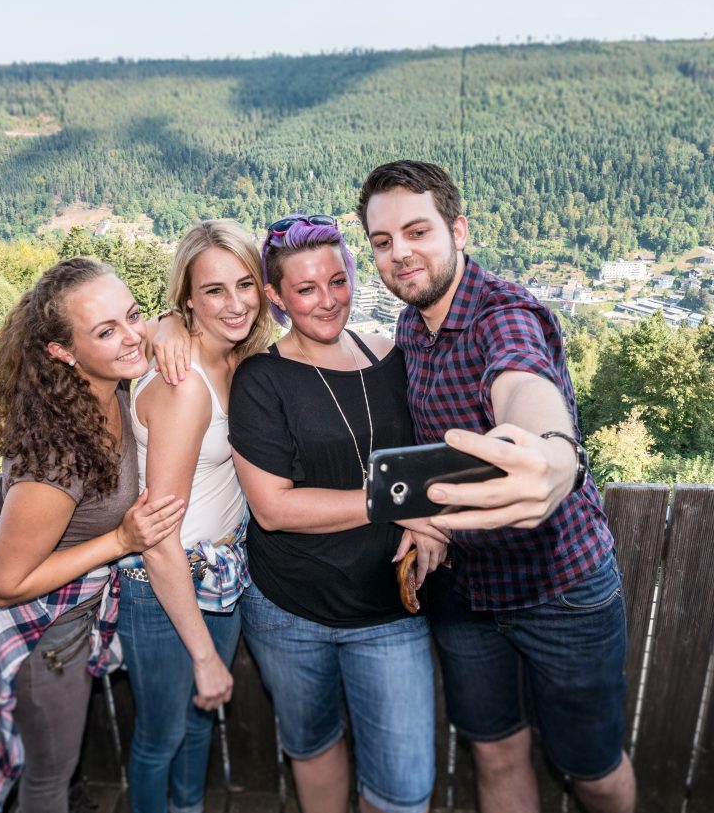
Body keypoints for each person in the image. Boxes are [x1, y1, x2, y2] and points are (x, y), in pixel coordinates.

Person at [356, 160, 635, 813]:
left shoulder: (503, 313)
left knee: (592, 771)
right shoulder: (411, 326)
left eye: (417, 231)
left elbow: (523, 382)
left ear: (459, 231)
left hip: (559, 588)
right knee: (496, 752)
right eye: (382, 241)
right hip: (465, 592)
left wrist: (553, 452)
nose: (400, 253)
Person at [158, 216, 446, 813]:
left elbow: (433, 450)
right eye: (306, 288)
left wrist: (429, 515)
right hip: (288, 611)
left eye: (337, 281)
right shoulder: (260, 378)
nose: (327, 300)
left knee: (404, 788)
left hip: (388, 608)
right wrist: (399, 503)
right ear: (278, 296)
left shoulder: (394, 356)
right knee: (313, 747)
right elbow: (273, 508)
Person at [0, 257, 188, 813]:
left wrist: (170, 323)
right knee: (48, 779)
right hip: (46, 634)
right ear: (62, 352)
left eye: (133, 315)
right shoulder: (58, 455)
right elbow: (3, 585)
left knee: (65, 772)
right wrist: (121, 542)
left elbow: (154, 333)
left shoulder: (111, 387)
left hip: (75, 624)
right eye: (105, 331)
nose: (131, 336)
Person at [120, 220, 271, 813]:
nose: (235, 304)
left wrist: (169, 323)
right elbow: (158, 537)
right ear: (187, 297)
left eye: (245, 284)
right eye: (213, 290)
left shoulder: (238, 362)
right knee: (161, 738)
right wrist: (205, 657)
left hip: (220, 571)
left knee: (199, 723)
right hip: (166, 582)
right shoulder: (185, 385)